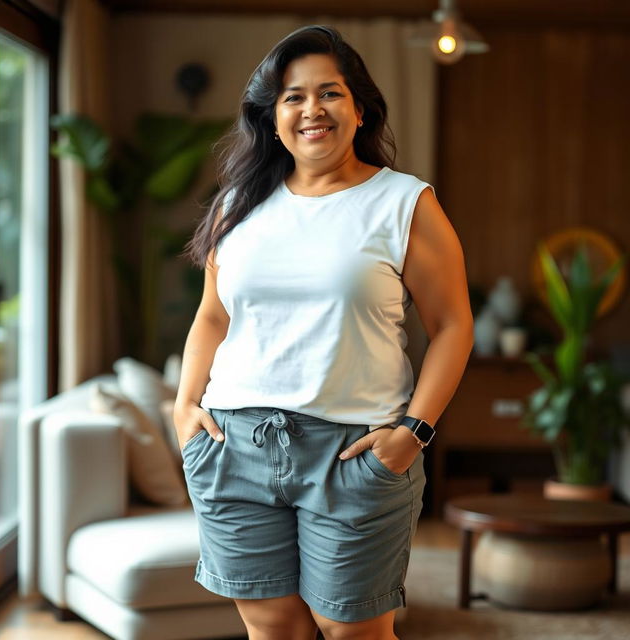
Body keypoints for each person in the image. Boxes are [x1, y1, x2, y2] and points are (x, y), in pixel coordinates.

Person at [174, 25, 473, 640]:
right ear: (273, 117)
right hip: (235, 444)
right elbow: (213, 315)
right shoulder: (238, 203)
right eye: (292, 96)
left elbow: (452, 326)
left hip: (355, 453)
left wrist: (413, 433)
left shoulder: (404, 203)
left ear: (359, 109)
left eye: (329, 93)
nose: (312, 109)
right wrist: (184, 406)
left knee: (351, 630)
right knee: (273, 629)